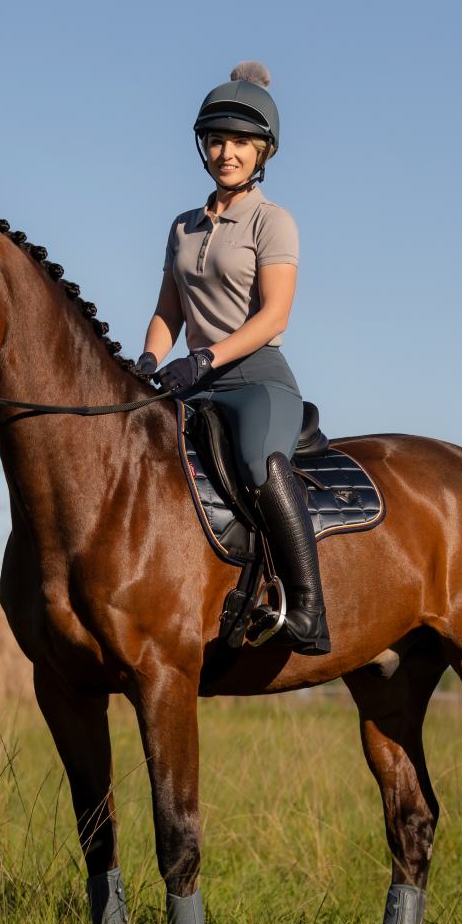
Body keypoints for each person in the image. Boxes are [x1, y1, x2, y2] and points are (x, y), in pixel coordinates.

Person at [137, 62, 330, 655]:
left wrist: (206, 359)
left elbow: (275, 316)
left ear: (263, 151)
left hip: (256, 380)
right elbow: (169, 310)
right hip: (192, 382)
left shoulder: (273, 221)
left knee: (256, 463)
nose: (227, 152)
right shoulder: (183, 226)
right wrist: (147, 360)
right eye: (217, 140)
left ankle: (306, 610)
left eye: (241, 143)